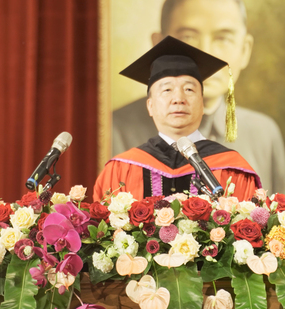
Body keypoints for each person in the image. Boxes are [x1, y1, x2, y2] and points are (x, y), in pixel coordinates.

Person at [112, 0, 285, 194]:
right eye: (188, 37)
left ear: (245, 50)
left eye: (223, 38)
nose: (206, 52)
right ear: (158, 45)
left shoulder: (263, 132)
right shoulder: (116, 129)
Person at [94, 36, 261, 202]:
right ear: (150, 106)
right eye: (167, 90)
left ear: (202, 105)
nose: (178, 98)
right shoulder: (121, 169)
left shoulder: (232, 168)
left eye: (189, 89)